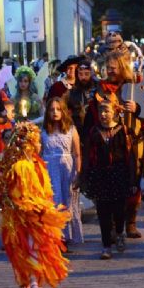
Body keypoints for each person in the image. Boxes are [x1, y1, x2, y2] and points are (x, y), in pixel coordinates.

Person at [0, 122, 70, 288]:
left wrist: (44, 206)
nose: (39, 145)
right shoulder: (19, 166)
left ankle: (34, 283)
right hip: (21, 215)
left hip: (37, 213)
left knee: (34, 246)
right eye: (36, 141)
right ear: (27, 143)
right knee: (23, 248)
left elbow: (44, 189)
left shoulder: (37, 163)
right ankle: (28, 283)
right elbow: (12, 192)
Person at [82, 98, 136, 259]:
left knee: (119, 211)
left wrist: (133, 180)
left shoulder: (123, 131)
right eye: (101, 111)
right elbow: (87, 157)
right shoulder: (93, 132)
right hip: (100, 176)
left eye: (107, 111)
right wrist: (84, 177)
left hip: (119, 175)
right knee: (103, 212)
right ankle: (106, 245)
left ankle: (119, 233)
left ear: (114, 113)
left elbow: (130, 157)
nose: (103, 114)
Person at [41, 97, 83, 244]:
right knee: (53, 200)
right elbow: (38, 152)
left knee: (67, 201)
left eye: (58, 109)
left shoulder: (71, 129)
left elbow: (77, 154)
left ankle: (67, 236)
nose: (55, 112)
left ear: (63, 111)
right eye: (52, 109)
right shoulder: (44, 131)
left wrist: (78, 174)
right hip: (49, 168)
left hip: (66, 168)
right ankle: (53, 236)